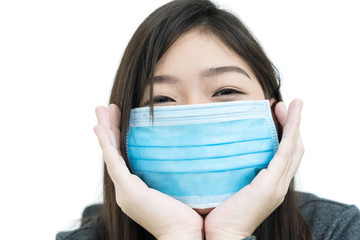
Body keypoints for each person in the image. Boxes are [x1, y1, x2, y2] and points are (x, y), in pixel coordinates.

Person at [56, 0, 360, 239]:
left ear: (274, 114)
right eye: (161, 99)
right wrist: (176, 235)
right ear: (122, 130)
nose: (195, 120)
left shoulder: (338, 230)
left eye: (225, 90)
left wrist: (230, 234)